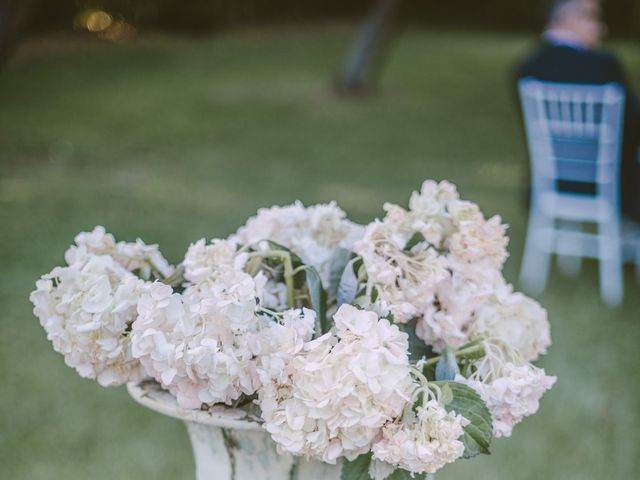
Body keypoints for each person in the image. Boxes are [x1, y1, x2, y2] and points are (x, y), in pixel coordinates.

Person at [515, 0, 640, 220]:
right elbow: (634, 124)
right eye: (594, 18)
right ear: (567, 17)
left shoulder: (526, 67)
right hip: (614, 185)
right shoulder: (604, 65)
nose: (602, 29)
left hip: (548, 184)